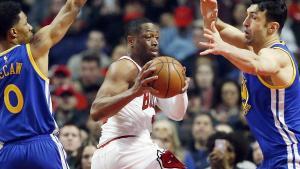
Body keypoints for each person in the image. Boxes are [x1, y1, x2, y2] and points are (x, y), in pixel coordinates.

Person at [200, 0, 300, 168]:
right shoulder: (252, 48)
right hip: (271, 158)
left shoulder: (278, 56)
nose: (245, 22)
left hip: (290, 156)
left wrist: (223, 47)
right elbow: (216, 29)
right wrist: (208, 15)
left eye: (253, 17)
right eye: (246, 15)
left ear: (272, 27)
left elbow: (257, 65)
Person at [90, 18, 189, 169]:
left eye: (157, 37)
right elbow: (96, 112)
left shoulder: (155, 74)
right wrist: (134, 92)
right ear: (131, 41)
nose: (155, 42)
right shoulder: (125, 67)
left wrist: (181, 91)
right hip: (124, 147)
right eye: (148, 37)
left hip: (124, 153)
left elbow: (177, 114)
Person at [0, 0, 86, 169]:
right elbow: (72, 7)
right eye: (25, 23)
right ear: (13, 33)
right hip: (41, 145)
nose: (31, 27)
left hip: (8, 152)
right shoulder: (33, 50)